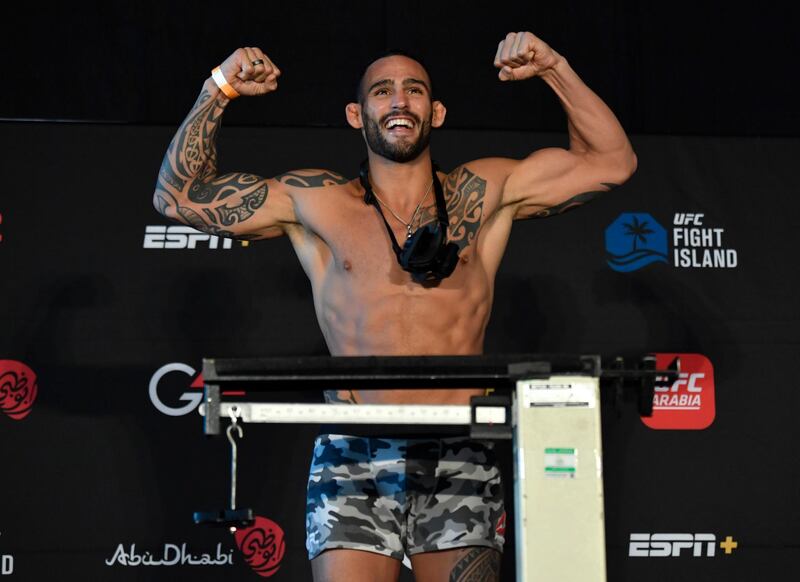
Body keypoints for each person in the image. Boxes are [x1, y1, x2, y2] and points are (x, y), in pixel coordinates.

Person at [153, 31, 636, 582]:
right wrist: (219, 88)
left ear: (437, 111)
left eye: (414, 90)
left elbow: (612, 163)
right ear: (357, 115)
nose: (399, 101)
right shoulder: (318, 202)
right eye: (382, 92)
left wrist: (553, 66)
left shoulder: (485, 192)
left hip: (460, 449)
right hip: (354, 452)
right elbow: (176, 195)